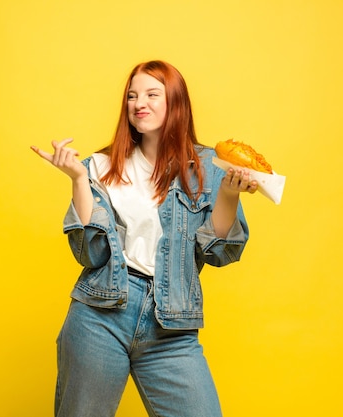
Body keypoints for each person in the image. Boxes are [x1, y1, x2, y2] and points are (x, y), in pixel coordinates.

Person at [31, 60, 258, 417]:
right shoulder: (101, 167)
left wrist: (229, 195)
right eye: (133, 96)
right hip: (101, 314)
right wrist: (78, 179)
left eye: (153, 94)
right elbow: (91, 253)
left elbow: (218, 253)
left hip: (172, 325)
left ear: (176, 102)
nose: (140, 103)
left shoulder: (210, 167)